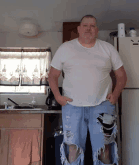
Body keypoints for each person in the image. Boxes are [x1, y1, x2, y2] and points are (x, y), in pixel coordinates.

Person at [48, 15, 127, 165]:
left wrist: (116, 94)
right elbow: (52, 75)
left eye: (92, 26)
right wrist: (58, 97)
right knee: (73, 148)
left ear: (97, 30)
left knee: (104, 149)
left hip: (102, 105)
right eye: (85, 25)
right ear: (79, 29)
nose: (88, 29)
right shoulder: (65, 48)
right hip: (72, 107)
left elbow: (122, 75)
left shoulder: (108, 48)